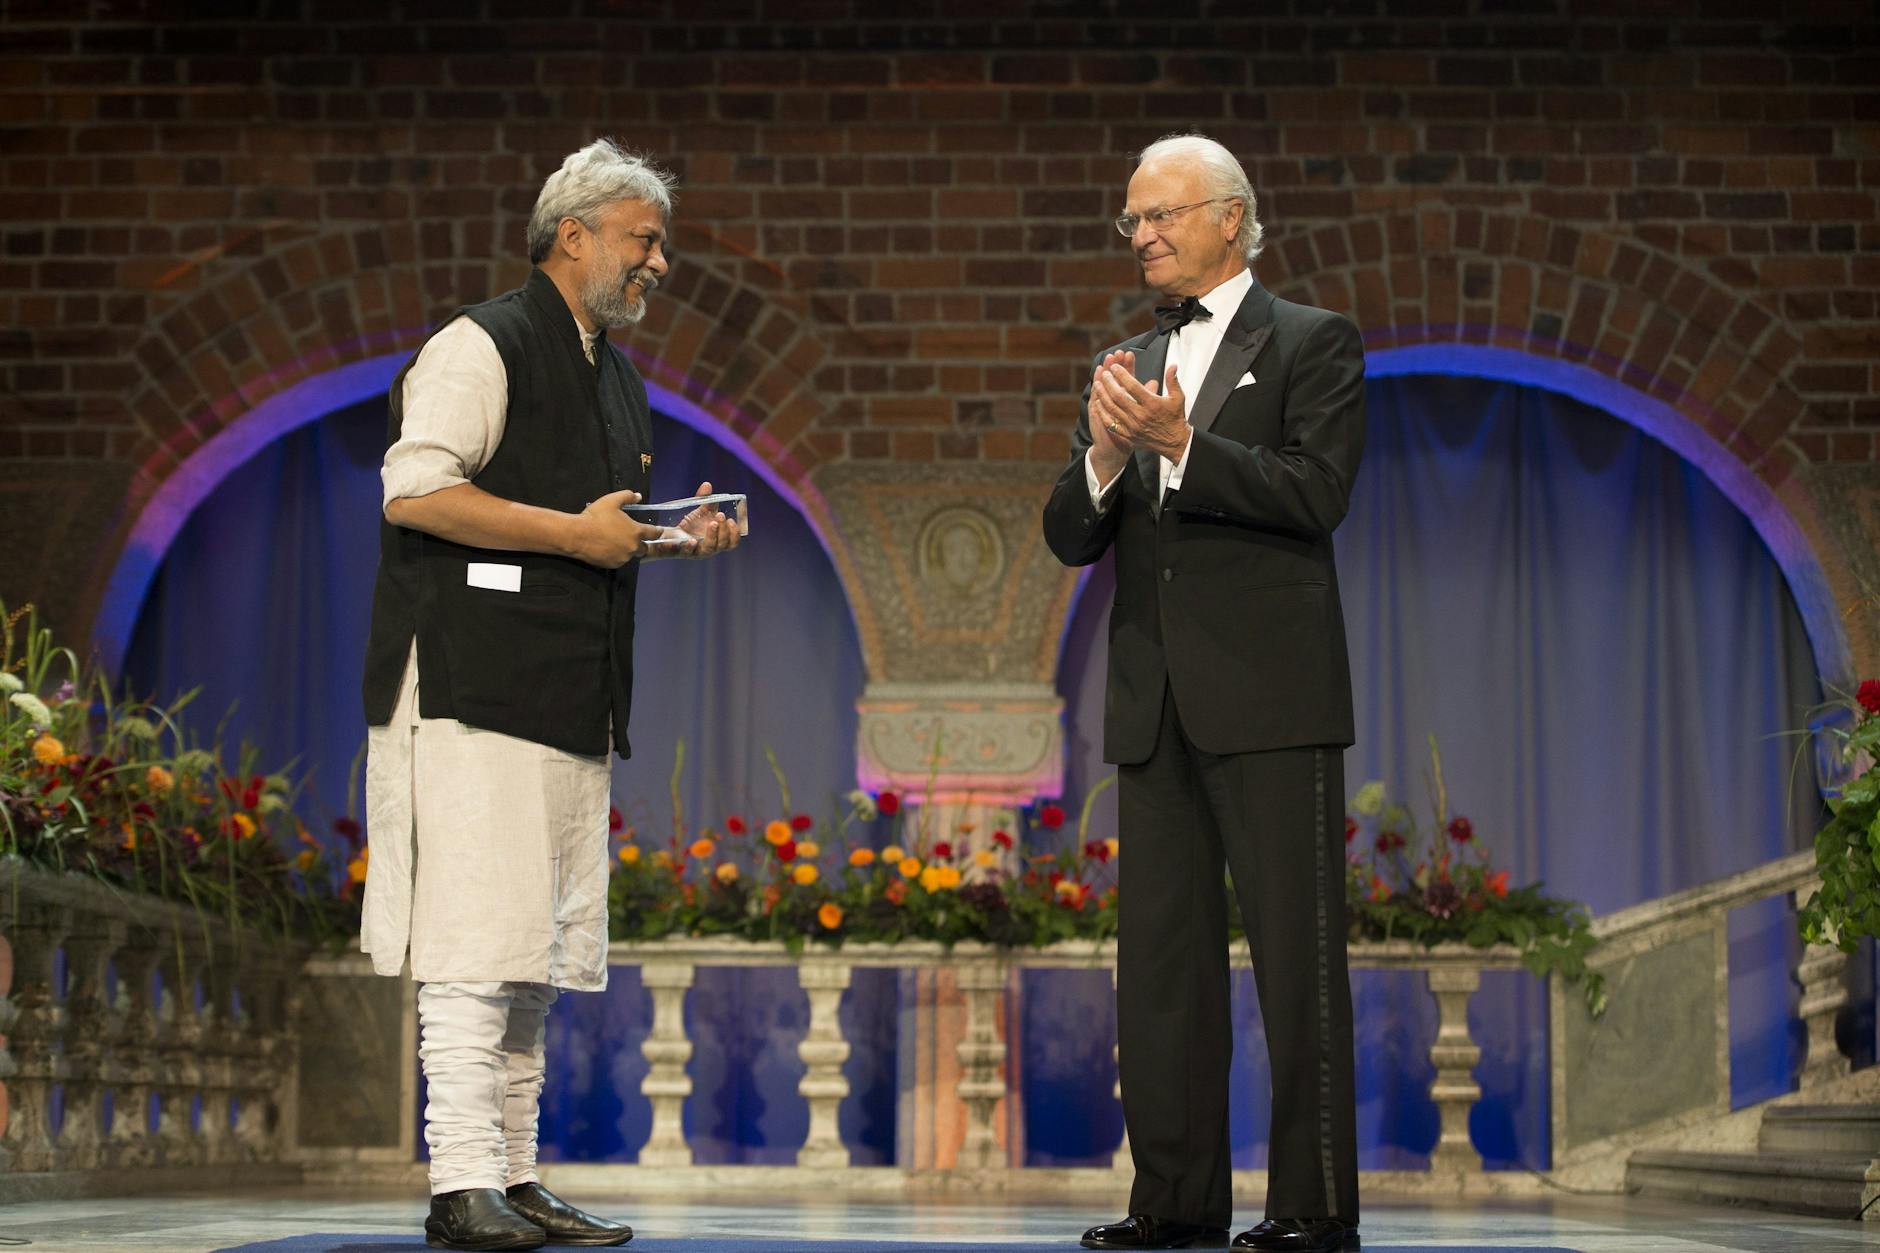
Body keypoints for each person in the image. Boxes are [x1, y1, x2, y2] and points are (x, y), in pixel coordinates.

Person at [358, 139, 741, 1252]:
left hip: (567, 686)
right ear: (570, 235)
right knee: (478, 941)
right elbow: (415, 489)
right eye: (642, 240)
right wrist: (574, 533)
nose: (658, 263)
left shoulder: (612, 370)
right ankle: (459, 1180)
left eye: (658, 243)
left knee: (531, 947)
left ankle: (513, 1175)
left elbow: (593, 536)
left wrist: (672, 537)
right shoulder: (480, 342)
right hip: (473, 680)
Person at [1042, 133, 1366, 1253]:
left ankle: (1313, 1204)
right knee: (1162, 972)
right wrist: (1097, 454)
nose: (1141, 235)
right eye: (1130, 220)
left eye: (1160, 215)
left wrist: (1181, 442)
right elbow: (1067, 534)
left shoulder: (1310, 344)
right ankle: (1171, 1199)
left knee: (1294, 964)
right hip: (1154, 704)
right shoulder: (1130, 358)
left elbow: (1315, 491)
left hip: (1273, 701)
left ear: (1230, 216)